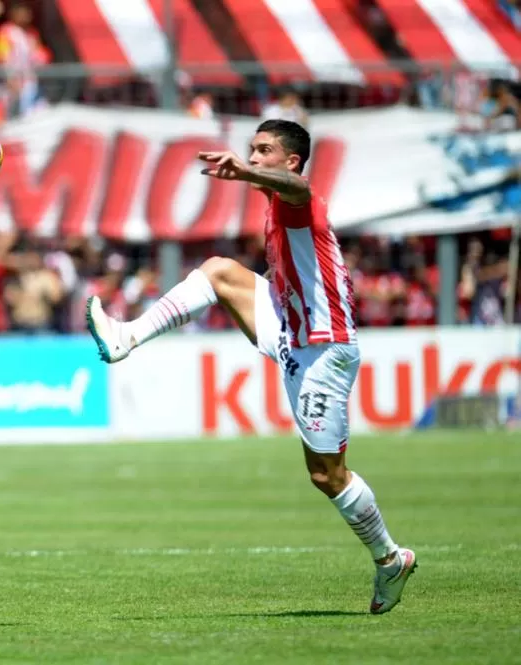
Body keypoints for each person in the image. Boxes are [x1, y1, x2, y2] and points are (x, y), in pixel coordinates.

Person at [85, 120, 417, 615]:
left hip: (324, 351)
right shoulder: (273, 211)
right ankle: (125, 336)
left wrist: (243, 172)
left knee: (327, 477)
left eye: (264, 151)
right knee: (219, 271)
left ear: (291, 161)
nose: (254, 156)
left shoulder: (299, 202)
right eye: (251, 149)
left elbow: (301, 188)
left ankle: (389, 558)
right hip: (292, 330)